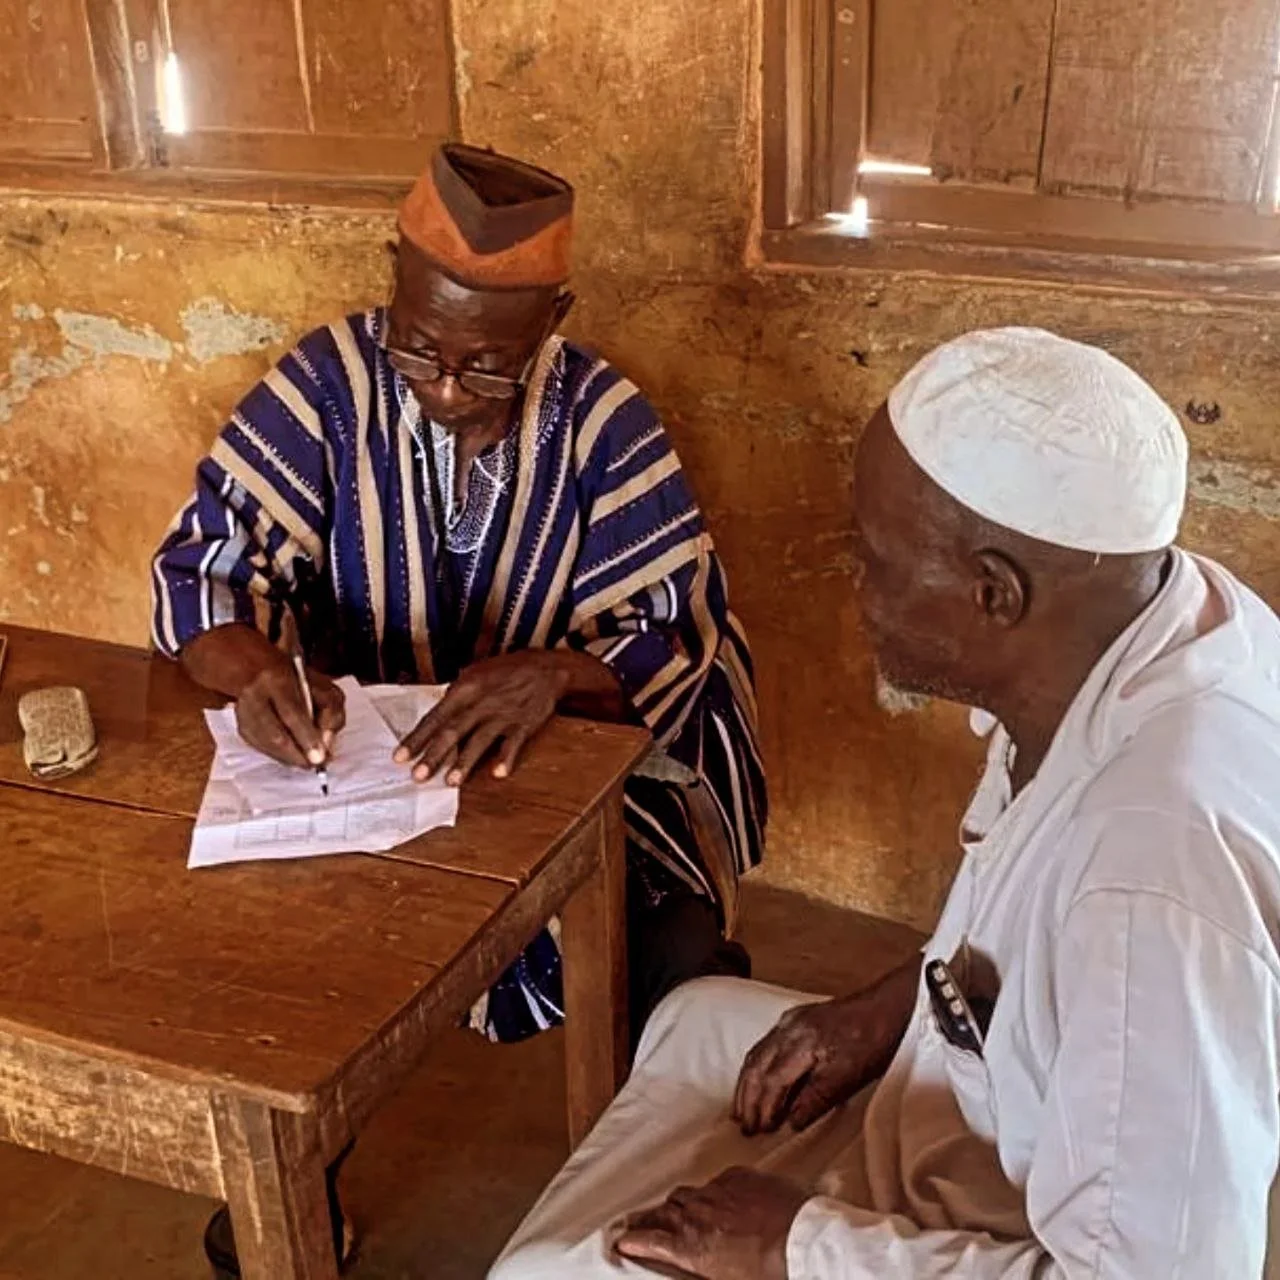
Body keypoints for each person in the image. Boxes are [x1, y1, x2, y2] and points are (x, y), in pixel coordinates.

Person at [489, 327, 1280, 1279]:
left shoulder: (1154, 872)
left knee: (547, 1271)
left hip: (1014, 1216)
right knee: (698, 1017)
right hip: (992, 1104)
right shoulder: (1154, 622)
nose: (855, 585)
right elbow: (1018, 921)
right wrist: (888, 1009)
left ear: (994, 593)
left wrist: (795, 1246)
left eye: (875, 559)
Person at [151, 143, 765, 1277]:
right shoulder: (326, 386)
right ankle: (290, 1191)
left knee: (670, 948)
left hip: (578, 765)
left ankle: (657, 1212)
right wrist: (256, 672)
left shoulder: (602, 420)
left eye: (487, 366)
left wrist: (552, 674)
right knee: (274, 950)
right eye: (419, 347)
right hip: (370, 759)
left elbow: (673, 633)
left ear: (552, 321)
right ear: (392, 281)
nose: (442, 388)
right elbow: (202, 574)